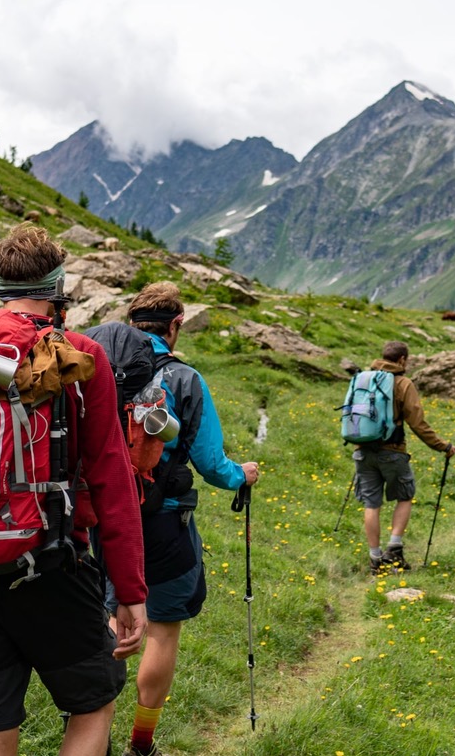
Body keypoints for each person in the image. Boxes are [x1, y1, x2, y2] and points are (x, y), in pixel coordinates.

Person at [0, 223, 148, 756]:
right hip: (53, 564)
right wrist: (132, 593)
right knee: (93, 703)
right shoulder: (77, 354)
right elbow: (112, 479)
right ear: (58, 287)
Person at [112, 281, 260, 756]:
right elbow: (213, 465)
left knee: (110, 622)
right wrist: (244, 475)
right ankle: (141, 742)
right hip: (164, 523)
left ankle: (91, 736)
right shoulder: (183, 378)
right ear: (175, 325)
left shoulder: (97, 367)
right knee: (161, 628)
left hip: (101, 521)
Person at [354, 340, 455, 573]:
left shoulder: (364, 379)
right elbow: (417, 423)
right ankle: (394, 548)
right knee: (405, 495)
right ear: (402, 360)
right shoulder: (403, 383)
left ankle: (374, 558)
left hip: (362, 450)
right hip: (392, 452)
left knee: (372, 503)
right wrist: (443, 446)